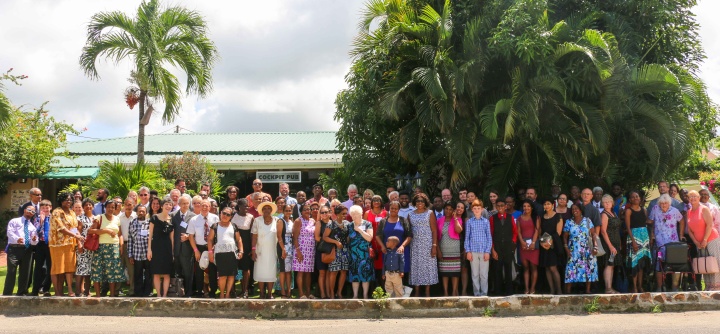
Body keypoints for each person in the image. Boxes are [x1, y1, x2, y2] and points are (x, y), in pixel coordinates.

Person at [647, 194, 683, 292]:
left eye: (665, 203)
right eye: (661, 203)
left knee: (675, 264)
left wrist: (681, 234)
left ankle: (675, 287)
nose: (663, 205)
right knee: (659, 264)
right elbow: (650, 221)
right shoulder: (655, 209)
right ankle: (659, 286)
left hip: (673, 243)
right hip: (659, 243)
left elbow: (682, 220)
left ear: (669, 203)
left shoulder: (674, 211)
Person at [49, 193, 83, 297]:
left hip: (70, 243)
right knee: (58, 268)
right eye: (65, 200)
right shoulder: (56, 212)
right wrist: (76, 236)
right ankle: (57, 291)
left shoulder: (72, 213)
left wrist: (79, 240)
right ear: (61, 201)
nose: (68, 201)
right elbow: (61, 228)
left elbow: (74, 227)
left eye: (69, 200)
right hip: (57, 244)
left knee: (69, 267)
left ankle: (69, 289)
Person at [686, 190, 720, 291]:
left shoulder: (704, 209)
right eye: (690, 197)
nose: (693, 198)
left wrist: (705, 239)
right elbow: (690, 231)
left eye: (695, 196)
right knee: (705, 264)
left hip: (711, 239)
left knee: (714, 262)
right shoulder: (689, 212)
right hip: (699, 243)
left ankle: (716, 287)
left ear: (699, 198)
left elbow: (710, 225)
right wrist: (696, 242)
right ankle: (708, 286)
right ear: (688, 199)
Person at [89, 199, 123, 297]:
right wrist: (106, 230)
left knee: (112, 271)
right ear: (105, 208)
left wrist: (121, 246)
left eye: (113, 207)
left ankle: (112, 295)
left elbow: (120, 234)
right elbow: (90, 231)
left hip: (114, 248)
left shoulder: (117, 219)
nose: (110, 209)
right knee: (97, 271)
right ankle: (98, 295)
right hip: (100, 247)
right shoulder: (99, 217)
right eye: (108, 207)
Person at [209, 206, 243, 299]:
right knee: (222, 275)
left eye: (228, 214)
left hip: (232, 253)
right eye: (224, 213)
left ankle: (227, 294)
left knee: (231, 275)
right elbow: (210, 240)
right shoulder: (215, 226)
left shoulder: (234, 226)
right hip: (220, 253)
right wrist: (210, 253)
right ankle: (221, 294)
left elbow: (239, 239)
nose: (225, 216)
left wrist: (241, 251)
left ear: (231, 216)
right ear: (220, 213)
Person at [563, 202, 598, 294]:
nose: (575, 210)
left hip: (587, 249)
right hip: (573, 249)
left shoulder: (587, 221)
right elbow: (565, 236)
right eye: (573, 209)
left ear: (581, 210)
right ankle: (568, 292)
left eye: (577, 208)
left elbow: (593, 234)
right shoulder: (569, 222)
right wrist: (566, 248)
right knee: (570, 269)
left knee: (588, 268)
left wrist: (595, 246)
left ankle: (587, 290)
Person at [4, 205, 39, 296]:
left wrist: (34, 240)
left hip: (27, 250)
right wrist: (17, 239)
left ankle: (21, 293)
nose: (30, 212)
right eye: (29, 210)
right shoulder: (15, 221)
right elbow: (9, 232)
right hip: (14, 249)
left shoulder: (32, 227)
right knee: (11, 271)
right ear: (24, 210)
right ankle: (7, 294)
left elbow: (34, 242)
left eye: (33, 212)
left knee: (25, 272)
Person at [187, 200, 219, 298]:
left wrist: (214, 247)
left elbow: (218, 233)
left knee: (213, 270)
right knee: (199, 271)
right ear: (199, 207)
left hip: (212, 247)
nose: (205, 208)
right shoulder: (194, 220)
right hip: (199, 247)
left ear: (210, 207)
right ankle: (199, 291)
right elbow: (191, 236)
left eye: (207, 206)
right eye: (203, 206)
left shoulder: (215, 218)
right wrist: (195, 250)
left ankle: (213, 291)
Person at [408, 193, 438, 297]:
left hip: (427, 244)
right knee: (416, 266)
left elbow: (434, 230)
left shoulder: (430, 213)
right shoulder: (410, 214)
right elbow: (409, 231)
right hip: (415, 244)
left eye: (421, 201)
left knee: (428, 267)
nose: (419, 203)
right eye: (417, 201)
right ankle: (416, 290)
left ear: (425, 202)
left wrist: (434, 245)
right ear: (414, 203)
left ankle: (427, 291)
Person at [489, 198, 517, 296]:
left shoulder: (510, 217)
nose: (500, 207)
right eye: (498, 206)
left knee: (508, 268)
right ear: (496, 207)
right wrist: (492, 249)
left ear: (505, 206)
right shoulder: (492, 218)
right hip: (497, 246)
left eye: (502, 205)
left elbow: (515, 231)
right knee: (497, 269)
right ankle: (498, 292)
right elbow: (491, 234)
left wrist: (513, 242)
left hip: (508, 246)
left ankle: (509, 291)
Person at [624, 191, 650, 293]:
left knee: (642, 263)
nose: (636, 198)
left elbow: (647, 222)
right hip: (634, 237)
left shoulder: (644, 210)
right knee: (635, 263)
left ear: (640, 198)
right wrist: (633, 242)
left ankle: (640, 286)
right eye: (633, 197)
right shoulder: (628, 211)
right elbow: (628, 227)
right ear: (630, 199)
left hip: (644, 238)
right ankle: (634, 287)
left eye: (637, 196)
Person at [465, 199, 492, 296]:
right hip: (473, 251)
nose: (477, 210)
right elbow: (467, 237)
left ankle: (484, 294)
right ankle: (476, 294)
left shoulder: (485, 222)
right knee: (475, 274)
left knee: (484, 274)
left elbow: (489, 237)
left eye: (478, 208)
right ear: (472, 209)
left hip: (483, 250)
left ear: (482, 209)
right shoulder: (469, 222)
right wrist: (468, 251)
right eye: (475, 208)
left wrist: (487, 251)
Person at [148, 199, 175, 297]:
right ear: (162, 206)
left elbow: (172, 238)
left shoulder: (172, 219)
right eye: (166, 204)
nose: (168, 206)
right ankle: (158, 294)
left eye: (170, 205)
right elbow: (150, 235)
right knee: (156, 273)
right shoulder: (154, 218)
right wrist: (149, 250)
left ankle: (164, 295)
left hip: (167, 248)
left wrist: (172, 252)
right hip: (156, 247)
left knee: (167, 273)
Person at [324, 204, 352, 299]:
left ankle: (339, 292)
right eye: (343, 213)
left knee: (343, 271)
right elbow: (325, 237)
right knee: (334, 272)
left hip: (345, 251)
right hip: (334, 251)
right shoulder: (331, 224)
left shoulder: (347, 224)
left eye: (346, 213)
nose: (345, 215)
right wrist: (336, 242)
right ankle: (332, 292)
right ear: (337, 214)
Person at [436, 201, 463, 296]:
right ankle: (446, 292)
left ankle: (454, 291)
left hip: (454, 249)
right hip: (443, 248)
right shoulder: (439, 220)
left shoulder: (457, 219)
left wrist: (455, 218)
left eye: (450, 209)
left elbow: (458, 230)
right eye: (446, 209)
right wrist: (438, 250)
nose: (448, 211)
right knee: (444, 272)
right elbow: (436, 236)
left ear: (453, 210)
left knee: (455, 272)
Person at [347, 205, 374, 299]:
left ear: (361, 214)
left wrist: (359, 230)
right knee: (354, 275)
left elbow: (369, 238)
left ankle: (365, 295)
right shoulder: (349, 225)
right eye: (352, 214)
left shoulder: (367, 224)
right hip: (353, 255)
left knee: (365, 275)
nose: (354, 216)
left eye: (356, 214)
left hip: (365, 254)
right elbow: (347, 240)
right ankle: (355, 295)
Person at [171, 196, 196, 297]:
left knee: (188, 272)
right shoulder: (173, 215)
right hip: (176, 248)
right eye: (183, 203)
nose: (185, 205)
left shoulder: (193, 216)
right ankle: (177, 292)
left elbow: (195, 232)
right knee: (177, 272)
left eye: (187, 203)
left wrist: (188, 236)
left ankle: (189, 292)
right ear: (179, 204)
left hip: (187, 249)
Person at [538, 198, 564, 295]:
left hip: (554, 245)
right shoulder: (541, 217)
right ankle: (552, 290)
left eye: (548, 204)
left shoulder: (558, 216)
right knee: (547, 268)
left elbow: (558, 232)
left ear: (552, 205)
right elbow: (539, 232)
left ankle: (559, 290)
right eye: (545, 204)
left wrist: (549, 243)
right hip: (544, 245)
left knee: (553, 268)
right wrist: (542, 242)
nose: (546, 206)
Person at [127, 205, 153, 297]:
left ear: (146, 212)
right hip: (137, 253)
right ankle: (138, 293)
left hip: (148, 254)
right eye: (139, 211)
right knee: (137, 275)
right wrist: (130, 255)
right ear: (137, 212)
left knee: (148, 275)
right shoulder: (132, 223)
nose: (141, 213)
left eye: (143, 211)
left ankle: (148, 292)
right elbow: (130, 239)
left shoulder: (150, 223)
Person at [598, 194, 622, 294]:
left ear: (612, 203)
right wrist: (610, 246)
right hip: (608, 244)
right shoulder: (604, 214)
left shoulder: (614, 213)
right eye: (605, 202)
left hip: (615, 242)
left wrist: (619, 243)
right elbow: (603, 231)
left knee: (612, 265)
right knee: (609, 264)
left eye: (608, 202)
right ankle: (607, 288)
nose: (607, 204)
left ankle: (610, 287)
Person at [232, 199, 254, 298]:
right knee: (235, 268)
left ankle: (245, 290)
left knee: (246, 268)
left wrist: (252, 248)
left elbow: (252, 234)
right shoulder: (233, 216)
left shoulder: (251, 217)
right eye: (244, 206)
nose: (247, 208)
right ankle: (233, 291)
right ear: (239, 207)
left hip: (246, 245)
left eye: (248, 206)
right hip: (234, 245)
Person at [293, 203, 316, 298]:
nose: (307, 211)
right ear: (301, 211)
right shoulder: (298, 221)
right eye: (305, 209)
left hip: (310, 250)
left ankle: (308, 293)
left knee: (308, 272)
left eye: (308, 209)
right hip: (301, 249)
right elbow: (295, 237)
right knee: (300, 272)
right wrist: (298, 251)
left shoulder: (313, 221)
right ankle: (301, 294)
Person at [517, 200, 540, 294]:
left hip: (533, 245)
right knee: (525, 267)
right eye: (524, 206)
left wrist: (533, 242)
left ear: (532, 208)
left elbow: (537, 230)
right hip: (523, 245)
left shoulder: (536, 217)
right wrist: (522, 242)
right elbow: (518, 231)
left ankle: (532, 288)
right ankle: (526, 288)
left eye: (528, 206)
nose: (526, 208)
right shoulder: (519, 218)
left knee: (533, 267)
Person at [31, 200, 53, 296]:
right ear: (40, 209)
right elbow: (35, 230)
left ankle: (46, 289)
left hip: (50, 244)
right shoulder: (37, 218)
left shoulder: (54, 218)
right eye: (43, 208)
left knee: (50, 267)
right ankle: (35, 289)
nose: (45, 209)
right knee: (38, 267)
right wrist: (41, 221)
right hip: (40, 244)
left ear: (50, 207)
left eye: (47, 207)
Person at [363, 195, 387, 285]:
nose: (376, 202)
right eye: (374, 200)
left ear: (381, 202)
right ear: (372, 202)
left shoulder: (385, 213)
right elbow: (364, 227)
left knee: (382, 266)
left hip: (382, 242)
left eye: (378, 200)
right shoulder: (367, 213)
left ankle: (383, 288)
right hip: (371, 242)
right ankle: (372, 289)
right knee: (372, 266)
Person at [75, 198, 95, 296]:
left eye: (90, 204)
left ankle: (87, 291)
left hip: (92, 247)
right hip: (83, 245)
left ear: (93, 206)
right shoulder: (80, 218)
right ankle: (78, 291)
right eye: (86, 205)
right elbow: (78, 231)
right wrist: (79, 244)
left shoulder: (95, 218)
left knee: (89, 269)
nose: (88, 206)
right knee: (81, 268)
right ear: (83, 207)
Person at [118, 198, 137, 295]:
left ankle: (132, 290)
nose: (128, 206)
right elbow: (119, 233)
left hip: (133, 245)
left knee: (131, 269)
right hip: (122, 244)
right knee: (119, 267)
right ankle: (118, 290)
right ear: (124, 206)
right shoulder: (119, 217)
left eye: (130, 204)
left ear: (134, 205)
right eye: (126, 204)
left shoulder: (136, 216)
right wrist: (121, 246)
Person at [314, 205, 333, 298]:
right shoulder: (319, 223)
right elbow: (317, 237)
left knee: (329, 272)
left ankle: (329, 293)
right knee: (322, 273)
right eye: (322, 212)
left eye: (326, 212)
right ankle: (322, 293)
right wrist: (327, 240)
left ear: (330, 213)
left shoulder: (333, 223)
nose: (324, 214)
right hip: (321, 250)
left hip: (331, 251)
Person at [277, 204, 295, 298]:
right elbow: (279, 236)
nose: (288, 212)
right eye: (286, 210)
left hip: (290, 247)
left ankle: (289, 290)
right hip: (283, 247)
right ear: (283, 211)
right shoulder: (280, 221)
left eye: (289, 210)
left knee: (289, 271)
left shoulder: (291, 221)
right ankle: (283, 291)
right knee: (283, 270)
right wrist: (283, 249)